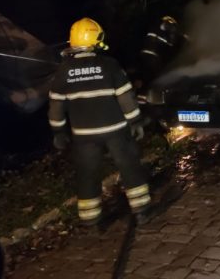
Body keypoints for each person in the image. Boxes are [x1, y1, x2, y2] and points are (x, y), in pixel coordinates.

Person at [48, 18, 151, 226]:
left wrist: (58, 131)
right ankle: (141, 211)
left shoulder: (63, 71)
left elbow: (56, 107)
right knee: (129, 167)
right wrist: (136, 121)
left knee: (87, 173)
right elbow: (126, 97)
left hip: (84, 135)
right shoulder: (109, 65)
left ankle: (90, 218)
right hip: (116, 130)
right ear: (95, 39)